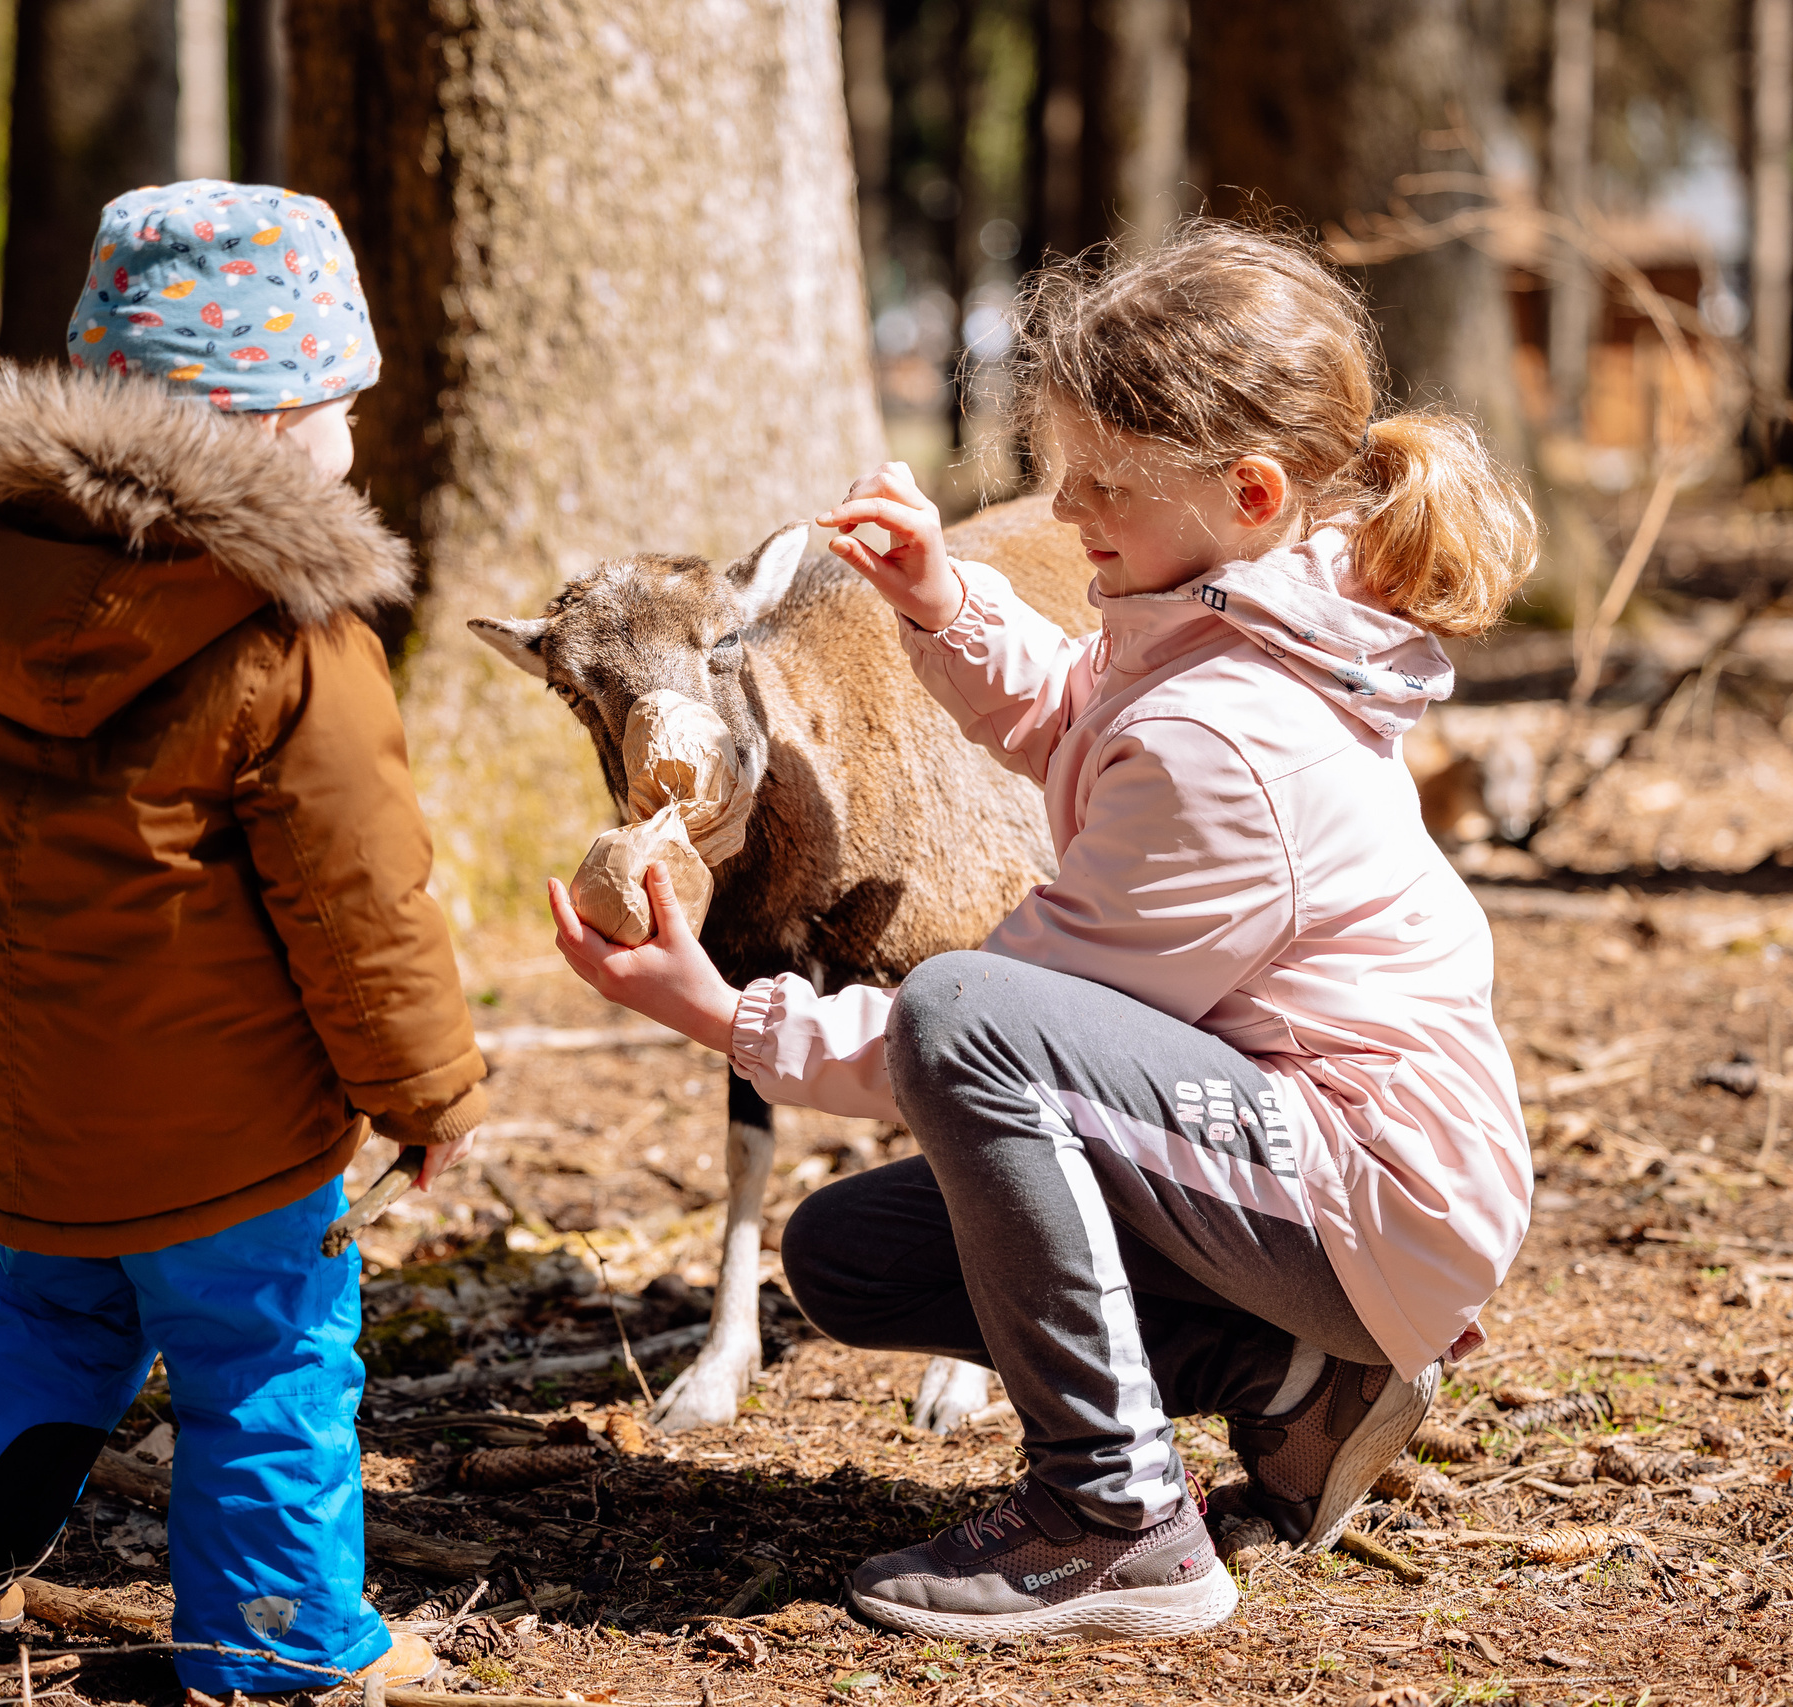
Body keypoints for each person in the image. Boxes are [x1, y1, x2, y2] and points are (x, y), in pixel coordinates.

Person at [548, 224, 1535, 1642]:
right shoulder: (1231, 613)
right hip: (1312, 1158)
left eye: (1103, 482)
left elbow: (981, 1031)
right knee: (853, 1255)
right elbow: (1085, 712)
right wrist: (941, 604)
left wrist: (720, 1011)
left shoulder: (1227, 741)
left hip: (1375, 1191)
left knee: (963, 1012)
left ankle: (1116, 1515)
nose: (1062, 506)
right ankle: (1296, 1382)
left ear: (1248, 491)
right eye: (1059, 466)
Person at [0, 182, 484, 1693]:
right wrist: (427, 1089)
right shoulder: (288, 626)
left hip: (40, 1101)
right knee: (270, 1359)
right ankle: (280, 1648)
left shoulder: (9, 577)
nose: (349, 436)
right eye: (338, 406)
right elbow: (358, 899)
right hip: (228, 1130)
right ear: (270, 425)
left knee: (54, 1318)